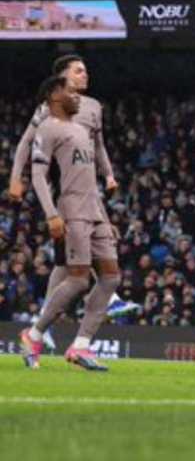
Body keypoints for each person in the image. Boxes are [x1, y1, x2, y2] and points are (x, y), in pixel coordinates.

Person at [8, 55, 139, 332]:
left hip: (89, 188)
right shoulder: (48, 109)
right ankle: (102, 303)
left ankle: (43, 325)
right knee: (72, 262)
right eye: (78, 71)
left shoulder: (93, 107)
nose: (85, 75)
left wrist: (109, 174)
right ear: (62, 77)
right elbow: (25, 144)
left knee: (67, 264)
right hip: (63, 190)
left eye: (86, 71)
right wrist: (15, 178)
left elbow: (99, 145)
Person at [18, 75, 122, 371]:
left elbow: (90, 175)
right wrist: (51, 213)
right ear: (54, 94)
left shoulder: (80, 129)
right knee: (77, 279)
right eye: (70, 91)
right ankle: (34, 333)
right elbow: (38, 175)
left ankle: (81, 347)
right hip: (72, 209)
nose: (77, 95)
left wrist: (104, 212)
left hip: (95, 209)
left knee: (111, 278)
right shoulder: (47, 128)